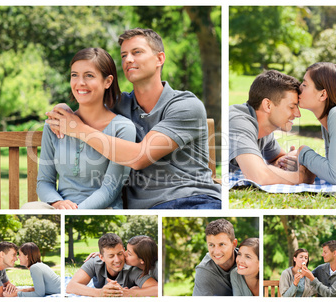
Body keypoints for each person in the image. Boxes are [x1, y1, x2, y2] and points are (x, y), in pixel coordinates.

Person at [46, 28, 221, 209]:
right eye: (123, 55)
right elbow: (85, 107)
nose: (128, 60)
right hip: (146, 209)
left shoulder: (185, 105)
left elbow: (139, 157)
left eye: (137, 52)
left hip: (194, 200)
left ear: (159, 59)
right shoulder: (119, 105)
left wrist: (79, 130)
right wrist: (63, 109)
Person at [24, 47, 136, 210]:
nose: (80, 83)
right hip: (60, 209)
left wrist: (75, 213)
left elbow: (110, 190)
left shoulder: (122, 128)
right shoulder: (56, 123)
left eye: (89, 75)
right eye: (74, 75)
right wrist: (58, 203)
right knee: (29, 209)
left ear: (108, 81)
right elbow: (44, 182)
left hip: (103, 209)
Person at [229, 70, 315, 185]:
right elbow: (258, 176)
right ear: (268, 105)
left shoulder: (264, 129)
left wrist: (284, 161)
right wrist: (301, 177)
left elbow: (276, 158)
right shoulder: (238, 122)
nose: (298, 114)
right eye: (291, 107)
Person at [282, 62, 336, 185]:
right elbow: (333, 170)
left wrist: (302, 152)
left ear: (322, 94)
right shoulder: (328, 120)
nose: (299, 88)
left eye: (305, 84)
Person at [66, 233, 157, 297]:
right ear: (102, 257)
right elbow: (71, 286)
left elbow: (157, 288)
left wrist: (129, 293)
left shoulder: (133, 268)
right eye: (111, 256)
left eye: (120, 253)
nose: (117, 260)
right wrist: (100, 293)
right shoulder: (94, 262)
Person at [193, 219, 238, 296]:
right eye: (211, 245)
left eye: (222, 244)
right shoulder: (204, 271)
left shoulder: (247, 260)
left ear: (234, 244)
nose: (216, 252)